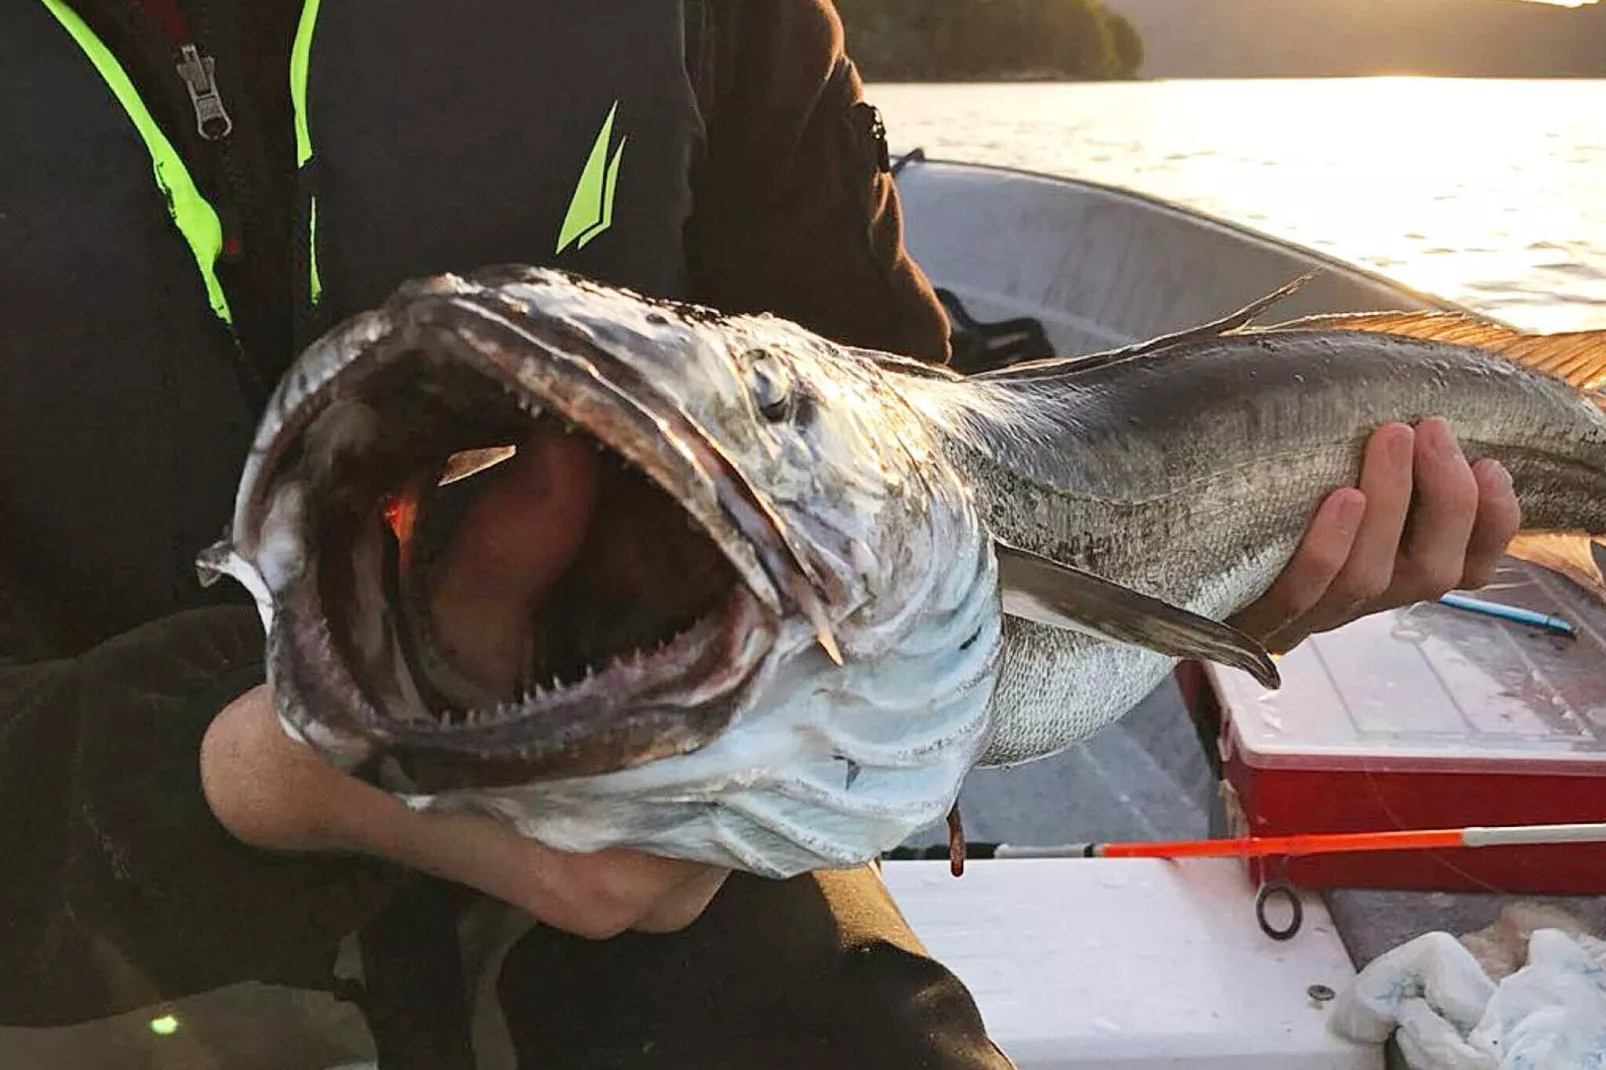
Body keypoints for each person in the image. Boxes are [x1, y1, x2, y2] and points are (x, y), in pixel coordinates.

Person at [0, 0, 1521, 1066]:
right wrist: (259, 770)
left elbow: (891, 399)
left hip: (697, 847)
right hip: (82, 930)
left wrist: (1244, 561)